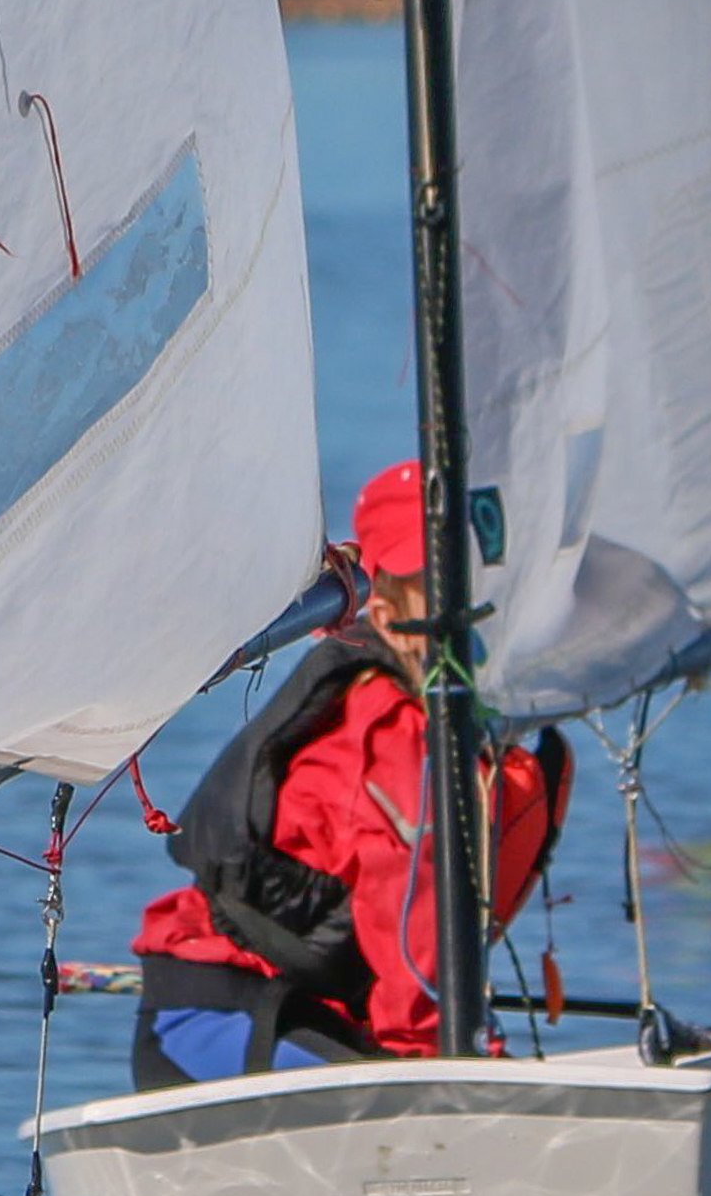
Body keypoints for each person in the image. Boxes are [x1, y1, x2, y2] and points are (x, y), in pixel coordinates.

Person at [127, 461, 572, 1087]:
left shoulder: (472, 735)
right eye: (436, 579)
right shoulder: (396, 733)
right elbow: (411, 929)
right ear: (384, 605)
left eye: (474, 576)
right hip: (215, 1025)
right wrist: (462, 1073)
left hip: (318, 1013)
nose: (464, 602)